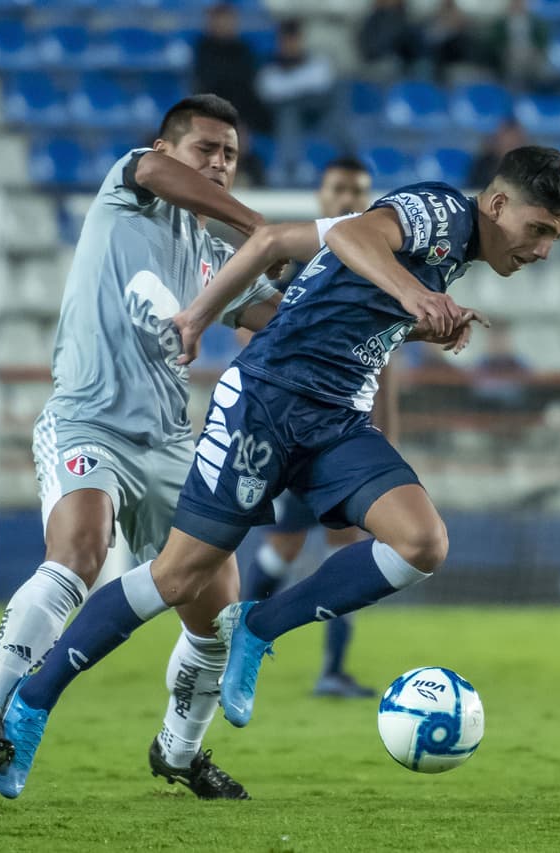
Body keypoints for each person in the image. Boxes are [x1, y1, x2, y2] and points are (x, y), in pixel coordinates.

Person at [0, 146, 560, 791]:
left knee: (422, 542)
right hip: (264, 403)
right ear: (498, 205)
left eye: (556, 236)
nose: (544, 249)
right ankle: (32, 701)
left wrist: (417, 323)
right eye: (540, 229)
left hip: (334, 418)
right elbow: (357, 231)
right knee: (177, 576)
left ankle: (259, 624)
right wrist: (416, 296)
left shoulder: (457, 251)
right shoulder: (443, 212)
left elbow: (315, 272)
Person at [0, 95, 284, 802]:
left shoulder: (213, 259)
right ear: (167, 148)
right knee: (79, 550)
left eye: (230, 153)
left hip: (168, 440)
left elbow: (274, 314)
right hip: (86, 418)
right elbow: (158, 172)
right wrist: (261, 226)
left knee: (219, 609)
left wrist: (381, 304)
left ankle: (180, 750)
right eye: (206, 149)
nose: (219, 162)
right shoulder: (127, 190)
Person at [239, 157, 377, 699]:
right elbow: (256, 346)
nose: (348, 200)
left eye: (359, 193)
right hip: (290, 430)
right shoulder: (298, 269)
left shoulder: (372, 268)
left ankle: (315, 663)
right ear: (320, 197)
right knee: (307, 547)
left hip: (340, 430)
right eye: (339, 189)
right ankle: (259, 638)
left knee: (311, 546)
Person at [255, 18, 338, 186]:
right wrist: (302, 86)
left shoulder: (317, 62)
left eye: (294, 40)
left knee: (338, 109)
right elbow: (268, 90)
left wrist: (290, 86)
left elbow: (324, 81)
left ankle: (350, 162)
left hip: (316, 115)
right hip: (276, 121)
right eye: (285, 40)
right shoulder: (268, 66)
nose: (290, 45)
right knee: (289, 112)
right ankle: (291, 166)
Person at [191, 3, 270, 136]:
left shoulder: (244, 48)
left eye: (228, 20)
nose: (225, 25)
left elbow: (248, 80)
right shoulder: (203, 48)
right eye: (221, 21)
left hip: (244, 105)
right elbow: (207, 79)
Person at [484, 0, 552, 91]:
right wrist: (504, 50)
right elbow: (495, 42)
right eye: (515, 3)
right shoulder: (500, 23)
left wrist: (537, 49)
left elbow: (542, 40)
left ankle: (538, 91)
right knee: (515, 61)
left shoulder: (535, 22)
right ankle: (517, 91)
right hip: (510, 53)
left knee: (539, 63)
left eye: (520, 3)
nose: (518, 5)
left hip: (532, 52)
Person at [469, 118, 529, 189]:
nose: (511, 150)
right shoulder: (482, 165)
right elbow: (474, 190)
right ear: (497, 143)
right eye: (507, 144)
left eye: (515, 143)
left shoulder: (531, 168)